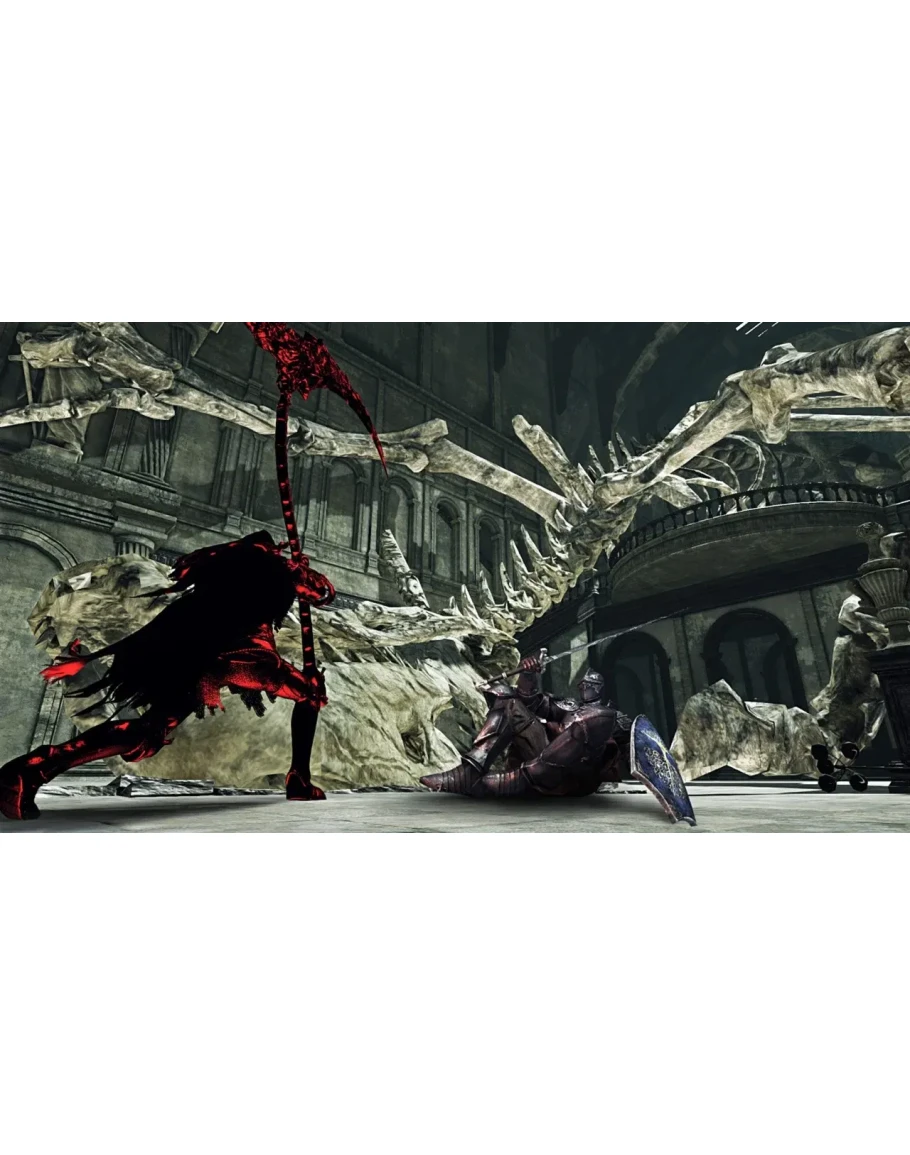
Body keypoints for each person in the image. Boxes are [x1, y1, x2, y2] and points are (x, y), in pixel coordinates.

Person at [0, 531, 330, 821]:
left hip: (203, 655)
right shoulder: (274, 566)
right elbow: (324, 593)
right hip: (246, 656)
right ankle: (299, 779)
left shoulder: (219, 567)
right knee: (311, 691)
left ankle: (31, 769)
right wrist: (300, 570)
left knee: (149, 732)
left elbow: (173, 617)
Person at [420, 656, 632, 798]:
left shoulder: (613, 716)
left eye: (591, 685)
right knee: (508, 698)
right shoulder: (570, 706)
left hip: (576, 775)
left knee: (598, 717)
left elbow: (629, 750)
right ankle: (469, 772)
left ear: (600, 688)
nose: (586, 688)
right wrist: (529, 675)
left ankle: (521, 779)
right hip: (542, 758)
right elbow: (532, 702)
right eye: (583, 685)